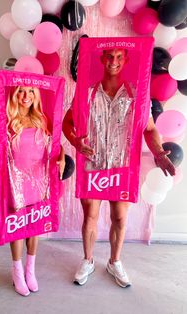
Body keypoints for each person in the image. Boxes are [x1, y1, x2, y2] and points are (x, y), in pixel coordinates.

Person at [63, 48, 176, 288]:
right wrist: (75, 142)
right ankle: (88, 260)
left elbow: (149, 128)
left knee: (120, 218)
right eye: (109, 56)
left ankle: (114, 262)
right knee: (90, 217)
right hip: (92, 164)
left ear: (125, 60)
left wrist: (158, 152)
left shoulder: (136, 94)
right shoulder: (87, 92)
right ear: (102, 59)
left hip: (122, 166)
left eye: (118, 57)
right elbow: (67, 122)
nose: (113, 61)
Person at [0, 86, 65, 296]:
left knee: (35, 226)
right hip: (17, 183)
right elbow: (0, 156)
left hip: (39, 180)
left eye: (31, 91)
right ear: (14, 95)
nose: (26, 96)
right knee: (19, 228)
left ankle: (30, 270)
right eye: (21, 91)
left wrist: (62, 157)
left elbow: (56, 145)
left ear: (36, 96)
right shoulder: (7, 123)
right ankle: (17, 271)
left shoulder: (42, 119)